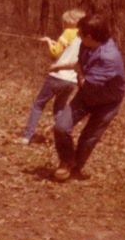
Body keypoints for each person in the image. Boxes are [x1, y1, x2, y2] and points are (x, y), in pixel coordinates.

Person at [52, 14, 125, 182]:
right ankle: (67, 160)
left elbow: (87, 82)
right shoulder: (85, 45)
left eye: (80, 33)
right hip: (86, 97)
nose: (78, 35)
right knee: (61, 127)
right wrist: (61, 67)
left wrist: (80, 74)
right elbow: (81, 68)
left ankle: (75, 168)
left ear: (90, 36)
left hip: (106, 104)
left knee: (88, 138)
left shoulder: (109, 57)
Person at [19, 8, 86, 144]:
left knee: (38, 105)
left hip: (57, 76)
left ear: (73, 22)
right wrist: (55, 43)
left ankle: (26, 136)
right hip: (71, 80)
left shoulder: (68, 32)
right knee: (59, 108)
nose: (64, 23)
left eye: (66, 21)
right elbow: (69, 51)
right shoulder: (83, 37)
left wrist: (49, 42)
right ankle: (63, 137)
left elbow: (54, 53)